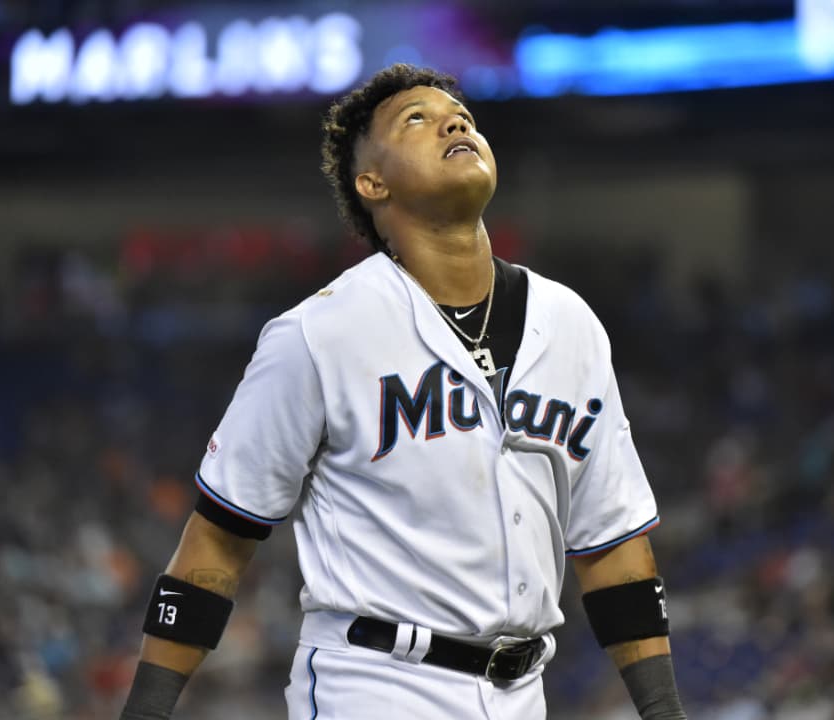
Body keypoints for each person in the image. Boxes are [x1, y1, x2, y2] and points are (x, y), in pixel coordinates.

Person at [119, 63, 686, 720]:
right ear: (372, 182)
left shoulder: (571, 325)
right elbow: (220, 536)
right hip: (374, 685)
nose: (454, 121)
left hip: (524, 694)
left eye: (462, 117)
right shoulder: (318, 333)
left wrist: (666, 713)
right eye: (416, 119)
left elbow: (613, 547)